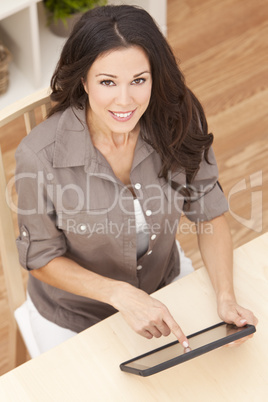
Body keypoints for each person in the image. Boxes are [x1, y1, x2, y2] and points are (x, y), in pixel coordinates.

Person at [15, 5, 257, 354]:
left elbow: (208, 213)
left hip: (164, 283)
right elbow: (40, 257)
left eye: (138, 80)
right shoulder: (38, 156)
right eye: (107, 82)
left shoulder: (180, 120)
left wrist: (225, 297)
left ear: (155, 77)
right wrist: (119, 294)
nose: (125, 101)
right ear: (84, 81)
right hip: (75, 314)